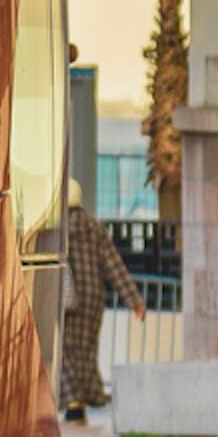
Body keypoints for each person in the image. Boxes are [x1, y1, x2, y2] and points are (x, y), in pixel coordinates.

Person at [61, 180, 146, 423]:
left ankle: (74, 402)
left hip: (67, 298)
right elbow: (113, 264)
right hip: (93, 297)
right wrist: (133, 299)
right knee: (86, 349)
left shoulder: (57, 228)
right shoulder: (93, 226)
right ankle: (91, 394)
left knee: (66, 351)